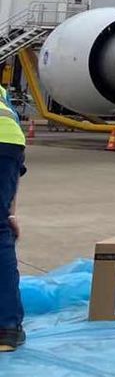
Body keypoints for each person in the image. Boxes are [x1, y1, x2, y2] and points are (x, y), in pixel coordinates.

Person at [0, 87, 26, 352]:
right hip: (9, 145)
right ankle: (7, 329)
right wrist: (9, 214)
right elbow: (16, 163)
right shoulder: (2, 94)